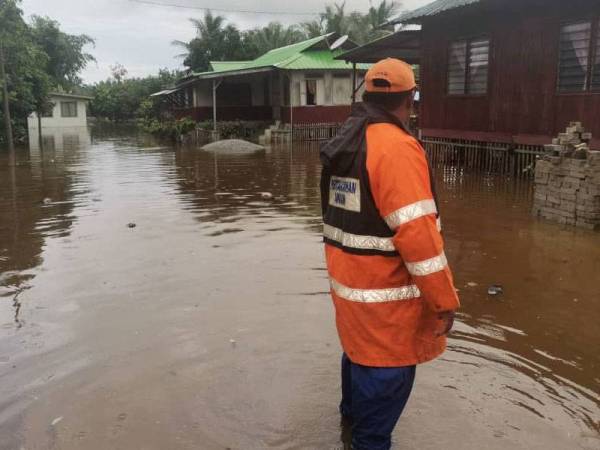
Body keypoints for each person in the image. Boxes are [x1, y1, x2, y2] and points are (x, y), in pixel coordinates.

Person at [320, 58, 460, 450]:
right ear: (410, 99)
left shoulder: (347, 139)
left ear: (366, 95)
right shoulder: (397, 148)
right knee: (380, 402)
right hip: (386, 301)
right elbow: (419, 237)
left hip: (350, 289)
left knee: (357, 359)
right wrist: (444, 301)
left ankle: (348, 427)